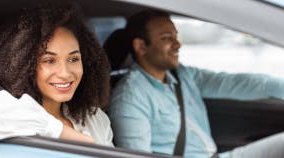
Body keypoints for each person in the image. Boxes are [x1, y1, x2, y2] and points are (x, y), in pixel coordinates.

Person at [107, 9, 284, 157]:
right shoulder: (130, 98)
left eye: (176, 36)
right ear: (141, 46)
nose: (178, 44)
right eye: (167, 38)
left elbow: (236, 83)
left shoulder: (182, 75)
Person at [0, 4, 113, 146]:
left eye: (73, 59)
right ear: (23, 65)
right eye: (49, 60)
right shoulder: (12, 113)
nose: (65, 73)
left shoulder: (93, 118)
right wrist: (62, 132)